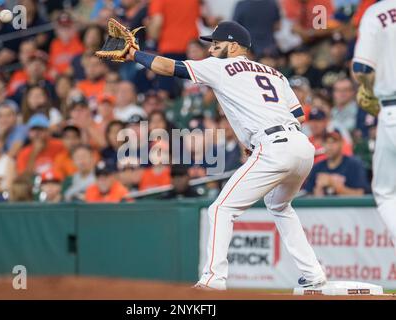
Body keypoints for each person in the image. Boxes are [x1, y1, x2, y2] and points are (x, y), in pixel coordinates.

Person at [125, 21, 326, 289]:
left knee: (220, 208)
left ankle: (213, 280)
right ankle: (313, 274)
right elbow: (298, 115)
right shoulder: (275, 73)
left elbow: (167, 67)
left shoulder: (220, 67)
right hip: (300, 145)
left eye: (216, 44)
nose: (211, 49)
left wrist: (135, 54)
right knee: (279, 206)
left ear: (233, 46)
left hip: (274, 145)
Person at [352, 0, 396, 252]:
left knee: (386, 193)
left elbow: (362, 67)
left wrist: (368, 89)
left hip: (391, 109)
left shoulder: (377, 13)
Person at [303, 129, 369, 196]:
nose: (329, 146)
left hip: (347, 206)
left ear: (341, 143)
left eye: (333, 142)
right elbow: (307, 194)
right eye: (326, 142)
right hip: (323, 206)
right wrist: (317, 191)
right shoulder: (317, 167)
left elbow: (360, 194)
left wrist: (333, 184)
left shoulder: (354, 165)